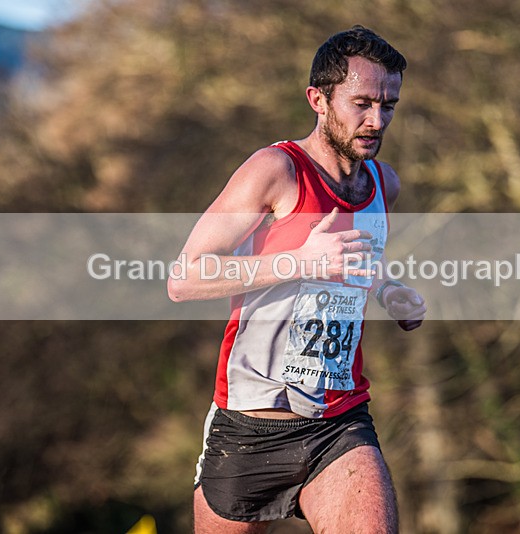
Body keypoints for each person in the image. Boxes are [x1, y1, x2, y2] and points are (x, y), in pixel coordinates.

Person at [168, 25, 426, 533]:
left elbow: (358, 260)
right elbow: (183, 279)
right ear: (319, 99)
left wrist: (391, 291)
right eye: (362, 103)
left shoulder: (382, 184)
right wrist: (302, 262)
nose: (377, 120)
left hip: (339, 421)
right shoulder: (275, 170)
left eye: (389, 105)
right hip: (250, 427)